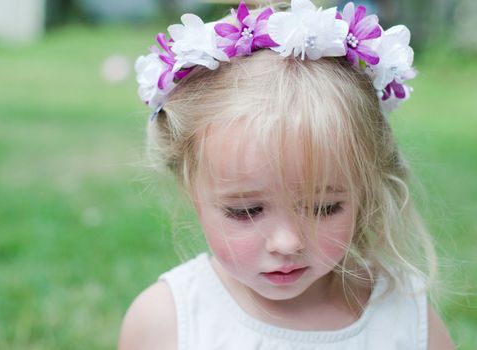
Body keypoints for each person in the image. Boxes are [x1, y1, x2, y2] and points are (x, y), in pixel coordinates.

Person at [120, 1, 455, 348]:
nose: (288, 242)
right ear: (192, 190)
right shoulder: (167, 322)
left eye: (324, 207)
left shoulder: (404, 320)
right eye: (246, 210)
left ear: (364, 188)